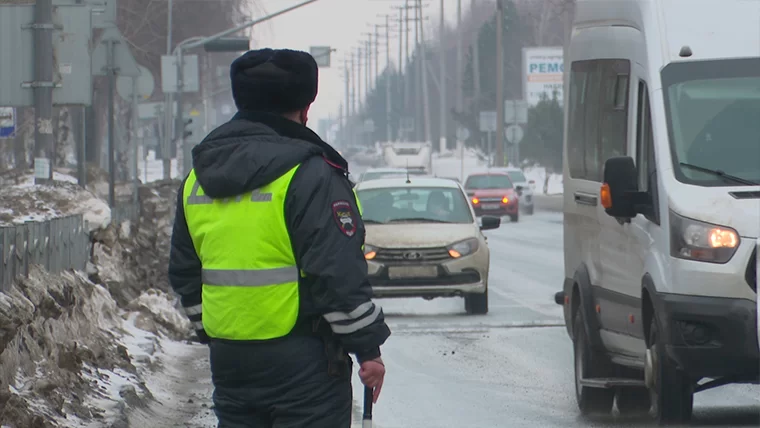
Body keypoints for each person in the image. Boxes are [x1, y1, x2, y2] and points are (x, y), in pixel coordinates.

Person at [168, 48, 391, 428]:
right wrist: (367, 348)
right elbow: (335, 274)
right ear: (304, 110)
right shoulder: (311, 175)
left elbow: (185, 272)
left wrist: (216, 334)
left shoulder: (198, 178)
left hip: (230, 362)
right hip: (305, 365)